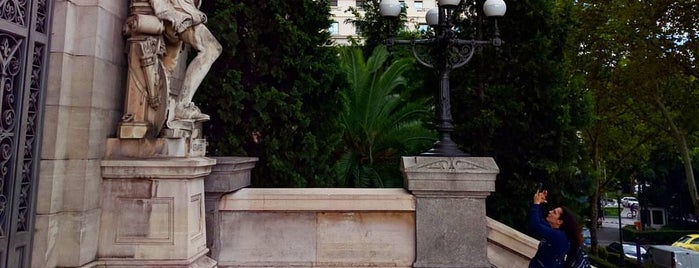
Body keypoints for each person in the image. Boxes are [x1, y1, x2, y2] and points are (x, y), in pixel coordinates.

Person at [150, 0, 222, 121]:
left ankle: (162, 110)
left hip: (184, 14)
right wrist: (165, 11)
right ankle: (182, 105)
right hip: (175, 14)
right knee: (212, 49)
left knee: (167, 68)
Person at [529, 190, 583, 268]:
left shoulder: (558, 236)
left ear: (560, 221)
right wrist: (540, 203)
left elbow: (535, 225)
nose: (550, 212)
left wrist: (536, 204)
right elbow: (539, 221)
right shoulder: (556, 231)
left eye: (554, 212)